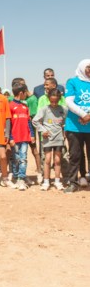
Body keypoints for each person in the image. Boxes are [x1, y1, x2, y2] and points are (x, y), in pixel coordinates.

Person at [63, 59, 90, 193]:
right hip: (74, 126)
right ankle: (73, 182)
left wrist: (88, 116)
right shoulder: (73, 81)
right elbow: (69, 101)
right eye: (88, 67)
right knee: (75, 155)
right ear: (82, 67)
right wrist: (83, 114)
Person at [33, 89, 67, 191]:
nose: (54, 103)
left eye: (56, 101)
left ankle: (57, 181)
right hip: (47, 139)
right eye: (52, 101)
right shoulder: (44, 109)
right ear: (48, 99)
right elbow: (35, 121)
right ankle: (46, 181)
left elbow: (65, 121)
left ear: (59, 99)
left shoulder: (63, 109)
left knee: (57, 160)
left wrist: (64, 130)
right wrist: (43, 130)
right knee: (47, 160)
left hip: (59, 138)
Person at [9, 82, 35, 191]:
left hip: (25, 138)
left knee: (23, 158)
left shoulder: (25, 106)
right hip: (15, 138)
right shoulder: (10, 106)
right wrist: (10, 138)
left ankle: (21, 178)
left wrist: (32, 135)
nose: (27, 95)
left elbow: (29, 123)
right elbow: (8, 124)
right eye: (25, 93)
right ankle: (15, 176)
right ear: (21, 93)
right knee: (16, 159)